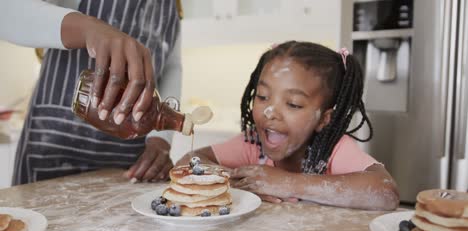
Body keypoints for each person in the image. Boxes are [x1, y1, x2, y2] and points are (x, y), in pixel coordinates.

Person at [177, 41, 399, 210]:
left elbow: (385, 192)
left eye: (293, 104)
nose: (270, 112)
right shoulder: (252, 142)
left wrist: (286, 183)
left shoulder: (333, 150)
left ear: (324, 118)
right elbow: (187, 161)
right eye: (263, 97)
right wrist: (237, 180)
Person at [1, 0, 183, 184]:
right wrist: (89, 29)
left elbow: (171, 66)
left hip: (130, 160)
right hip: (53, 146)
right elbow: (6, 12)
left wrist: (161, 139)